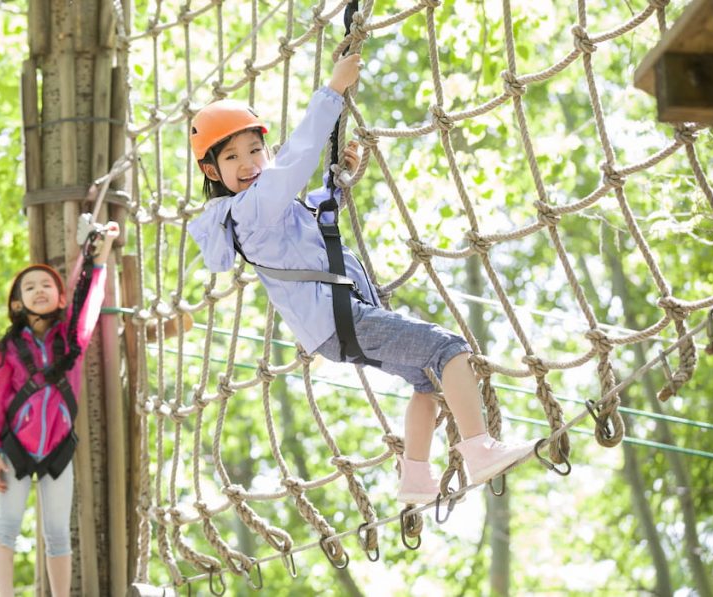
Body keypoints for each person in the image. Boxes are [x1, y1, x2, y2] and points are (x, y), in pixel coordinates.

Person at [187, 53, 534, 505]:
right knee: (449, 349)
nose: (249, 163)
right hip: (341, 319)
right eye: (233, 157)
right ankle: (480, 450)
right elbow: (295, 162)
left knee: (425, 384)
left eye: (256, 150)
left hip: (338, 325)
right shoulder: (249, 209)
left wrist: (337, 179)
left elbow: (306, 215)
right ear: (213, 172)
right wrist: (332, 92)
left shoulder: (261, 208)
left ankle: (415, 478)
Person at [0, 221, 119, 596]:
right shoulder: (6, 350)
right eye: (29, 287)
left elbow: (85, 302)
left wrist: (99, 255)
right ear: (16, 303)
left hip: (57, 449)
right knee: (6, 525)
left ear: (59, 298)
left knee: (58, 532)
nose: (38, 291)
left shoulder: (70, 339)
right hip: (15, 450)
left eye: (46, 285)